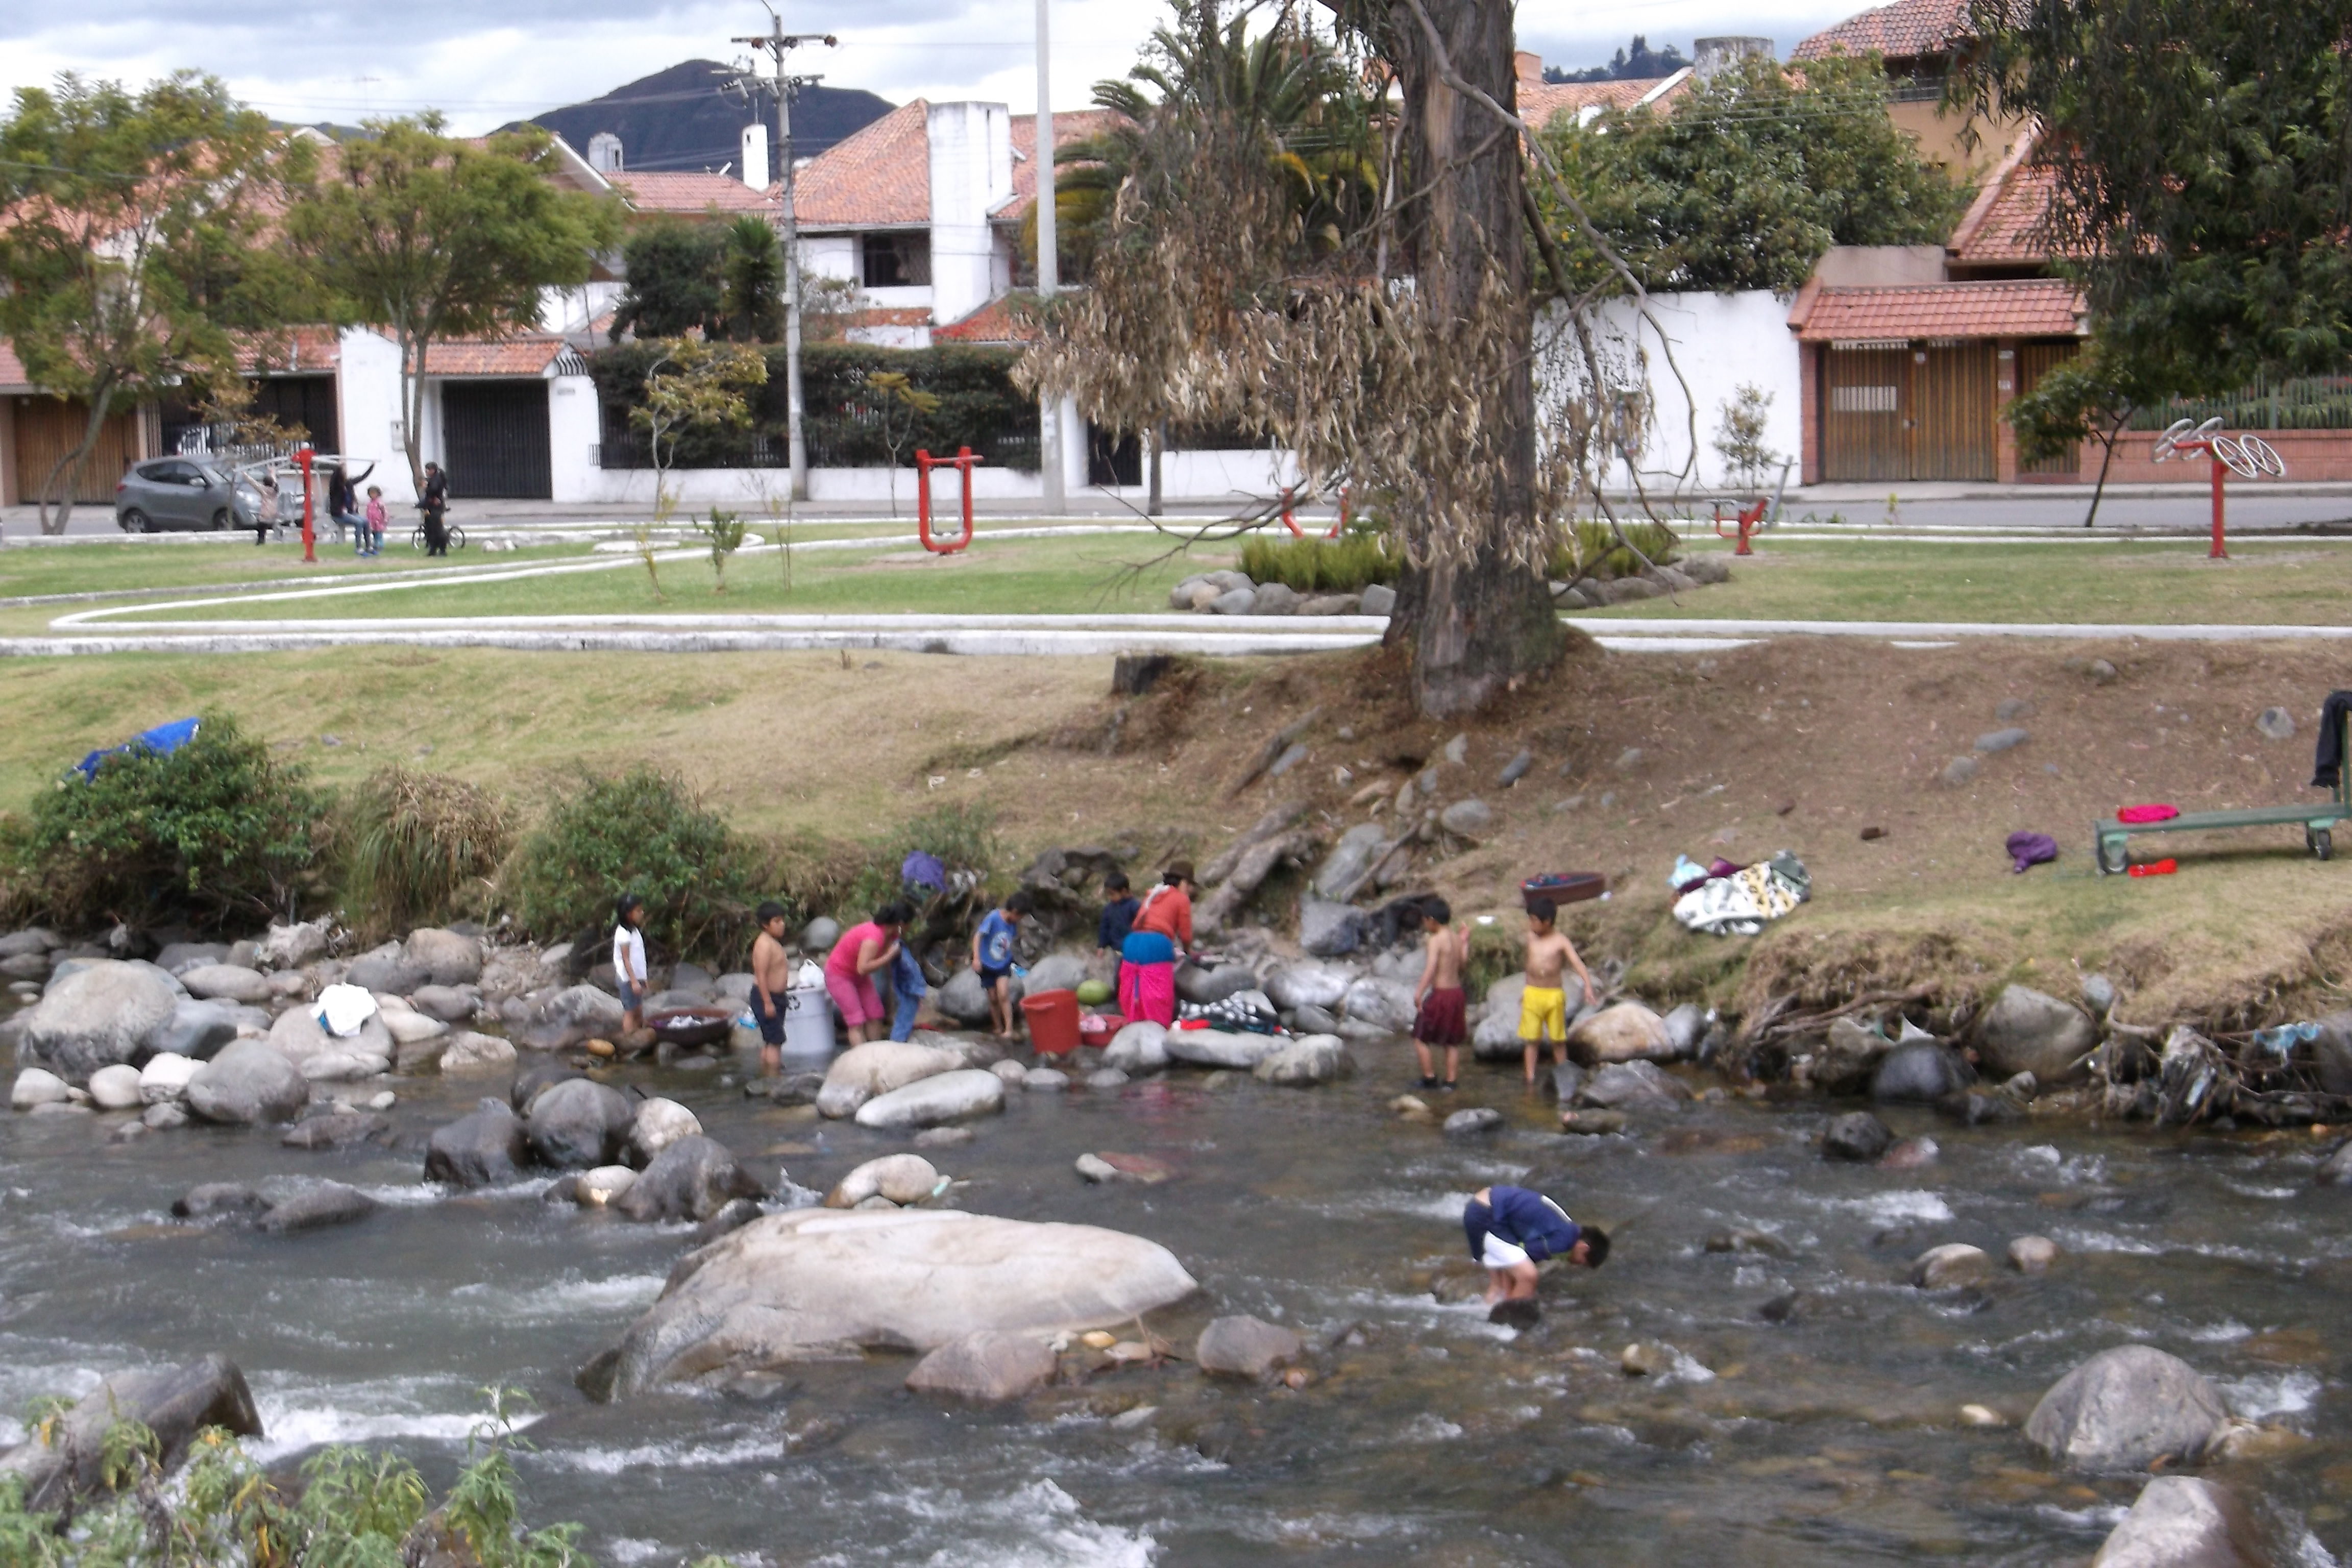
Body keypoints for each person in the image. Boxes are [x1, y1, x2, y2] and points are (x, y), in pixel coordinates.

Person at [1463, 1184, 1609, 1318]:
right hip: (1487, 1216)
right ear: (1583, 1248)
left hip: (1483, 1208)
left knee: (1500, 1286)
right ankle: (1508, 1323)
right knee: (1529, 1276)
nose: (1575, 1264)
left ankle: (1489, 1317)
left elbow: (1517, 1259)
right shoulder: (1564, 1241)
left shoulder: (1567, 1228)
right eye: (1581, 1262)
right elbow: (1524, 1253)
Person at [1519, 896, 1596, 1088]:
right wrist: (1525, 988)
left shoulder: (1560, 941)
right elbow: (1529, 965)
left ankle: (1564, 1074)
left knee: (1558, 1039)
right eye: (1530, 920)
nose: (1531, 924)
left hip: (1553, 995)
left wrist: (1588, 986)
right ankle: (1530, 1077)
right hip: (1533, 993)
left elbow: (1577, 963)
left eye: (1534, 921)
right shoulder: (1530, 938)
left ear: (1547, 922)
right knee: (1532, 1040)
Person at [1118, 863, 1195, 1028]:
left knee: (1133, 992)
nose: (1190, 891)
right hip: (1156, 945)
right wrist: (1188, 951)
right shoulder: (1181, 899)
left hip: (1132, 943)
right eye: (1190, 886)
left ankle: (1134, 1030)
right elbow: (1186, 935)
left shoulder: (1153, 894)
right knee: (1157, 996)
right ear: (1183, 883)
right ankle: (1158, 1032)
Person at [827, 901, 910, 1047]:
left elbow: (888, 969)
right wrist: (889, 956)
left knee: (875, 1013)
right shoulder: (873, 938)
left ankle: (875, 1052)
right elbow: (863, 968)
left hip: (858, 977)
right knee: (856, 1021)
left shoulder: (892, 936)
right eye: (909, 924)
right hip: (839, 975)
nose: (910, 928)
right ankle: (862, 1059)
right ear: (901, 924)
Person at [1410, 896, 1470, 1092]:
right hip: (1457, 994)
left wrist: (1419, 992)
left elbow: (1430, 969)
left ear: (1432, 920)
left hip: (1441, 995)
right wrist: (1465, 942)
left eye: (1425, 920)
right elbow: (1462, 964)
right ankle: (1451, 1082)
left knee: (1420, 1037)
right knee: (1451, 1041)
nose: (1425, 924)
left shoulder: (1435, 940)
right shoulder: (1455, 938)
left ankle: (1430, 1077)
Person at [971, 891, 1032, 1039]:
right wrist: (976, 958)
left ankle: (1009, 1029)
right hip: (987, 964)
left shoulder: (1014, 924)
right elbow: (978, 936)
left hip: (1003, 964)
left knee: (1003, 994)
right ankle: (998, 1027)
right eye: (1021, 916)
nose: (1021, 920)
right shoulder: (993, 918)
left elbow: (1011, 942)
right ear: (1016, 912)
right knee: (993, 997)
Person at [749, 900, 793, 1074]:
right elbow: (761, 975)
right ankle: (774, 1079)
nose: (782, 925)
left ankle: (767, 1075)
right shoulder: (764, 945)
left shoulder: (772, 942)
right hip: (766, 997)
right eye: (777, 921)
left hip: (776, 997)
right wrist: (767, 1003)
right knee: (775, 1041)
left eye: (782, 920)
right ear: (765, 925)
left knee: (771, 1040)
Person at [612, 893, 650, 1034]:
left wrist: (643, 979)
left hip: (635, 978)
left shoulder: (633, 931)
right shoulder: (623, 934)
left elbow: (639, 958)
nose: (642, 913)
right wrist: (634, 981)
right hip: (627, 978)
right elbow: (626, 959)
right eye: (638, 911)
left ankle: (641, 1031)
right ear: (628, 914)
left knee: (639, 1007)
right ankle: (629, 1037)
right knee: (630, 1011)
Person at [1096, 869, 1139, 970]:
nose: (1111, 898)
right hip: (1117, 949)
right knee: (1118, 976)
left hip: (1133, 949)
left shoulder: (1135, 906)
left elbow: (1140, 927)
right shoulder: (1109, 908)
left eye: (1113, 894)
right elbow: (1104, 927)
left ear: (1124, 891)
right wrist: (1101, 945)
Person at [327, 462, 373, 550]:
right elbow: (335, 478)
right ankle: (359, 548)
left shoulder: (348, 483)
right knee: (359, 523)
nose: (345, 473)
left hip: (350, 513)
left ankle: (369, 547)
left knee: (366, 522)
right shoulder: (336, 487)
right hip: (339, 515)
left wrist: (371, 467)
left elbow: (362, 477)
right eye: (343, 472)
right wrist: (339, 468)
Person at [420, 461, 450, 556]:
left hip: (435, 508)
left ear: (433, 470)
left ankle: (442, 550)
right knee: (430, 530)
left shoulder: (436, 479)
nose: (427, 472)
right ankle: (433, 549)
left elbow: (433, 491)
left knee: (437, 530)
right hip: (431, 507)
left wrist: (426, 487)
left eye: (428, 470)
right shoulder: (432, 479)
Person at [252, 472, 279, 547]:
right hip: (273, 513)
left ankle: (261, 540)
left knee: (261, 526)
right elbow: (275, 482)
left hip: (265, 513)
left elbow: (254, 483)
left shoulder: (264, 490)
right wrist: (272, 473)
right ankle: (262, 539)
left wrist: (245, 475)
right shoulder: (275, 490)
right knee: (264, 525)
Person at [362, 485, 388, 558]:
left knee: (379, 535)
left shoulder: (380, 503)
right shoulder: (370, 504)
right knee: (374, 534)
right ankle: (375, 545)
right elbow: (368, 513)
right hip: (372, 522)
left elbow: (384, 511)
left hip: (379, 522)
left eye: (374, 493)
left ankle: (380, 546)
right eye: (371, 494)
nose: (372, 495)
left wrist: (385, 519)